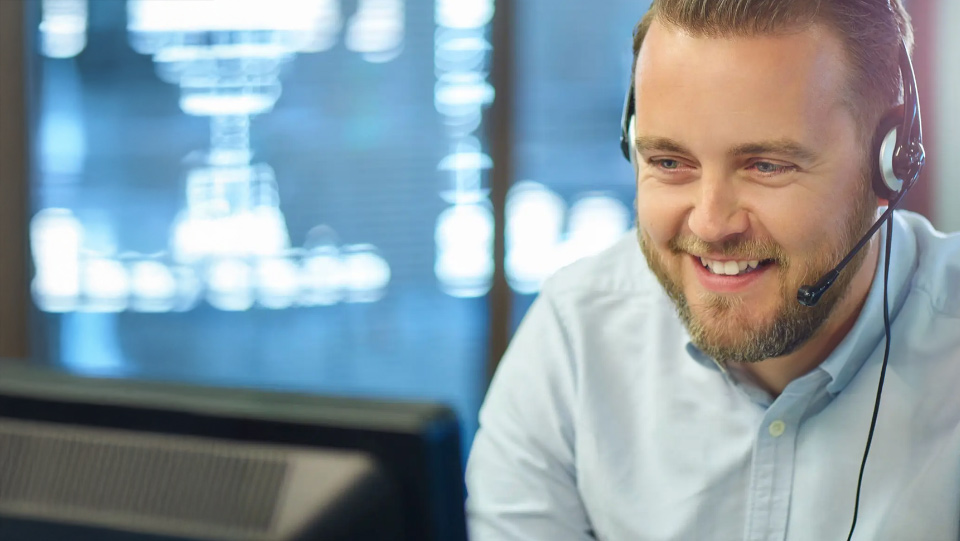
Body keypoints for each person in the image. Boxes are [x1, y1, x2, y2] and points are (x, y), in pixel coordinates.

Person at [465, 1, 960, 539]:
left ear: (890, 162)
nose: (711, 223)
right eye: (669, 163)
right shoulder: (574, 339)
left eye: (767, 166)